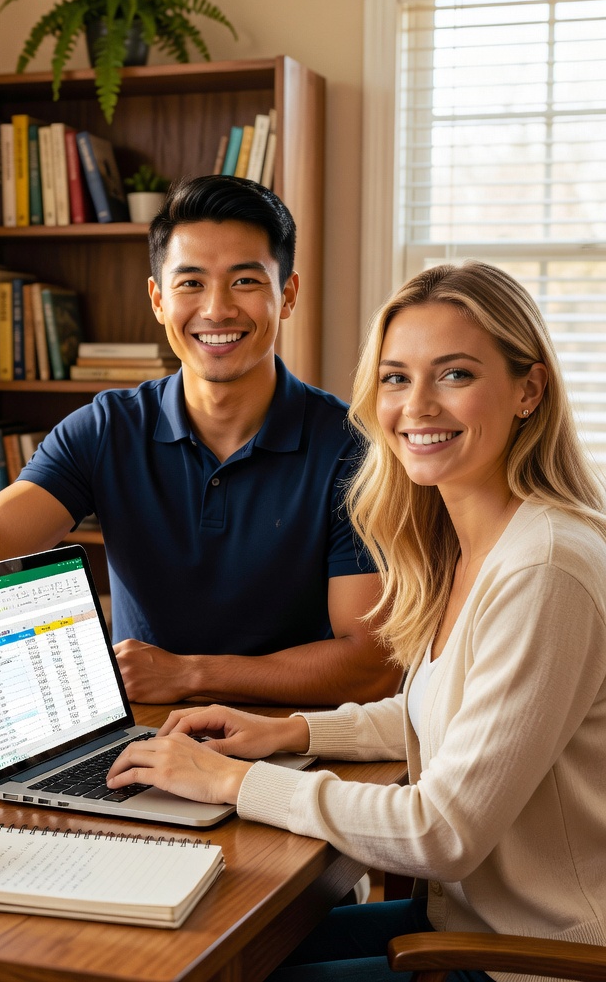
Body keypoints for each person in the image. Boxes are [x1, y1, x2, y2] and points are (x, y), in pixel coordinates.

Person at [106, 261, 606, 980]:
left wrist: (230, 782)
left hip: (530, 959)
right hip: (464, 920)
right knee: (201, 944)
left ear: (529, 390)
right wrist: (292, 731)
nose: (417, 407)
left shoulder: (544, 569)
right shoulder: (475, 545)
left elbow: (443, 833)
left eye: (456, 375)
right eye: (397, 378)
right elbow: (447, 713)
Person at [0, 175, 401, 707]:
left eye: (246, 281)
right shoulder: (108, 428)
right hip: (143, 740)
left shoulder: (353, 450)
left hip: (292, 740)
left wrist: (191, 674)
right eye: (191, 283)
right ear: (158, 300)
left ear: (289, 293)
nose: (217, 309)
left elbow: (370, 663)